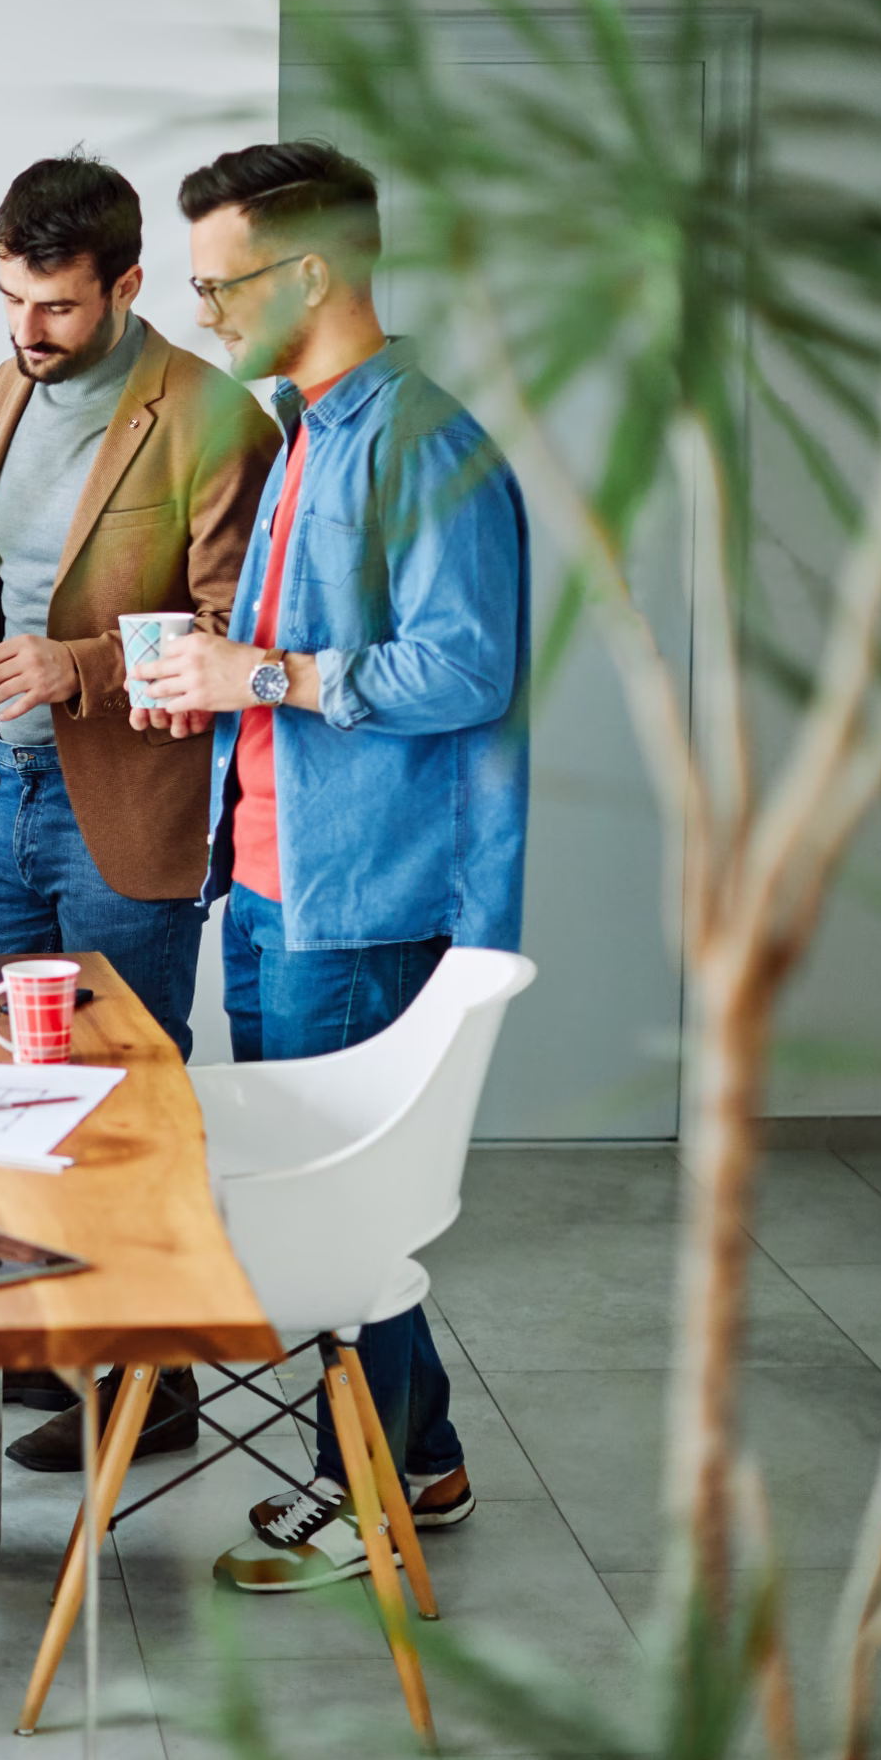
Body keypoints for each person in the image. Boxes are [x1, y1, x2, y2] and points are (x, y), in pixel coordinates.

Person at [142, 141, 529, 1592]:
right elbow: (290, 673)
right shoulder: (305, 429)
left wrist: (273, 671)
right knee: (319, 1199)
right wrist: (227, 684)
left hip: (359, 897)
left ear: (311, 273)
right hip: (266, 880)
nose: (202, 316)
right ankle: (411, 1464)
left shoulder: (423, 440)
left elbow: (466, 664)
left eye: (218, 284)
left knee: (341, 1214)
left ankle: (363, 1484)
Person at [0, 153, 277, 1474]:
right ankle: (25, 1327)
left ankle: (152, 1377)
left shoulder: (212, 416)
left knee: (122, 1091)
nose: (25, 330)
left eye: (56, 306)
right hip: (6, 784)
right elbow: (6, 574)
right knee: (8, 1078)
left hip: (127, 802)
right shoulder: (13, 381)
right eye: (9, 298)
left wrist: (84, 669)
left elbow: (239, 628)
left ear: (126, 285)